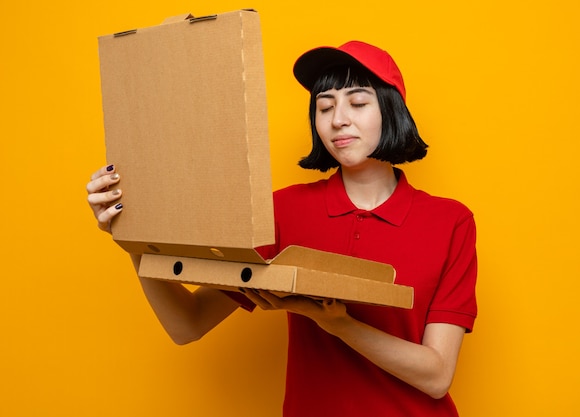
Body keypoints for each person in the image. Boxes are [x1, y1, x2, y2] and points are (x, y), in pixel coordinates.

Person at [87, 40, 477, 417]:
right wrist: (133, 241)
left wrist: (338, 324)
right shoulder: (282, 211)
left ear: (392, 111)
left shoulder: (450, 222)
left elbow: (437, 375)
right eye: (324, 107)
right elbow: (187, 323)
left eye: (358, 103)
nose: (338, 119)